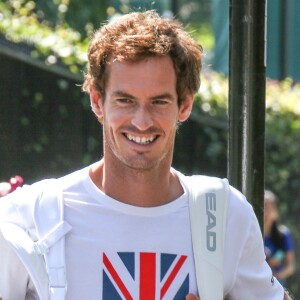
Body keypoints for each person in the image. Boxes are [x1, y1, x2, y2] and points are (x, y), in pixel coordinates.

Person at [0, 10, 292, 300]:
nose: (141, 121)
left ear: (185, 105)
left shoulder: (225, 215)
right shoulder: (28, 217)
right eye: (125, 100)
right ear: (97, 101)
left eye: (159, 102)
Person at [264, 190, 295, 286]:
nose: (266, 212)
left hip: (275, 289)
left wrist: (276, 277)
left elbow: (290, 266)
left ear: (276, 211)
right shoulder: (252, 233)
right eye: (264, 206)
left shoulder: (283, 235)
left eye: (270, 208)